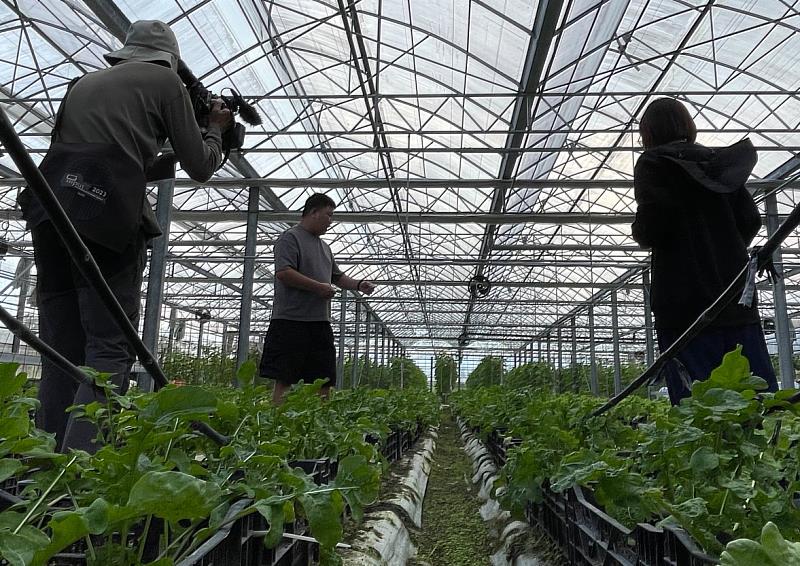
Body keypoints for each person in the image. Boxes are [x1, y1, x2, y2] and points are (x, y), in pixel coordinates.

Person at [18, 20, 233, 451]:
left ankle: (41, 468)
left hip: (51, 209)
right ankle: (79, 470)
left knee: (61, 349)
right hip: (108, 219)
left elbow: (93, 155)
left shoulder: (83, 82)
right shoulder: (166, 81)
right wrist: (215, 129)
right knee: (109, 349)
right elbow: (202, 166)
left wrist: (156, 154)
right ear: (170, 60)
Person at [631, 97, 778, 404]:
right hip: (735, 297)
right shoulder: (719, 163)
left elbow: (653, 227)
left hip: (683, 305)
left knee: (696, 404)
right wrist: (723, 245)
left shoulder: (654, 164)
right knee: (756, 395)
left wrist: (642, 232)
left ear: (649, 132)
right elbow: (750, 220)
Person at [260, 193, 377, 405]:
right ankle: (275, 423)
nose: (330, 221)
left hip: (319, 322)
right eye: (328, 215)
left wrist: (359, 285)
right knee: (285, 376)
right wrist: (318, 288)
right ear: (313, 212)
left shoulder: (325, 247)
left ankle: (320, 426)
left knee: (324, 377)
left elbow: (337, 277)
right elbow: (284, 273)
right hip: (291, 321)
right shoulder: (290, 238)